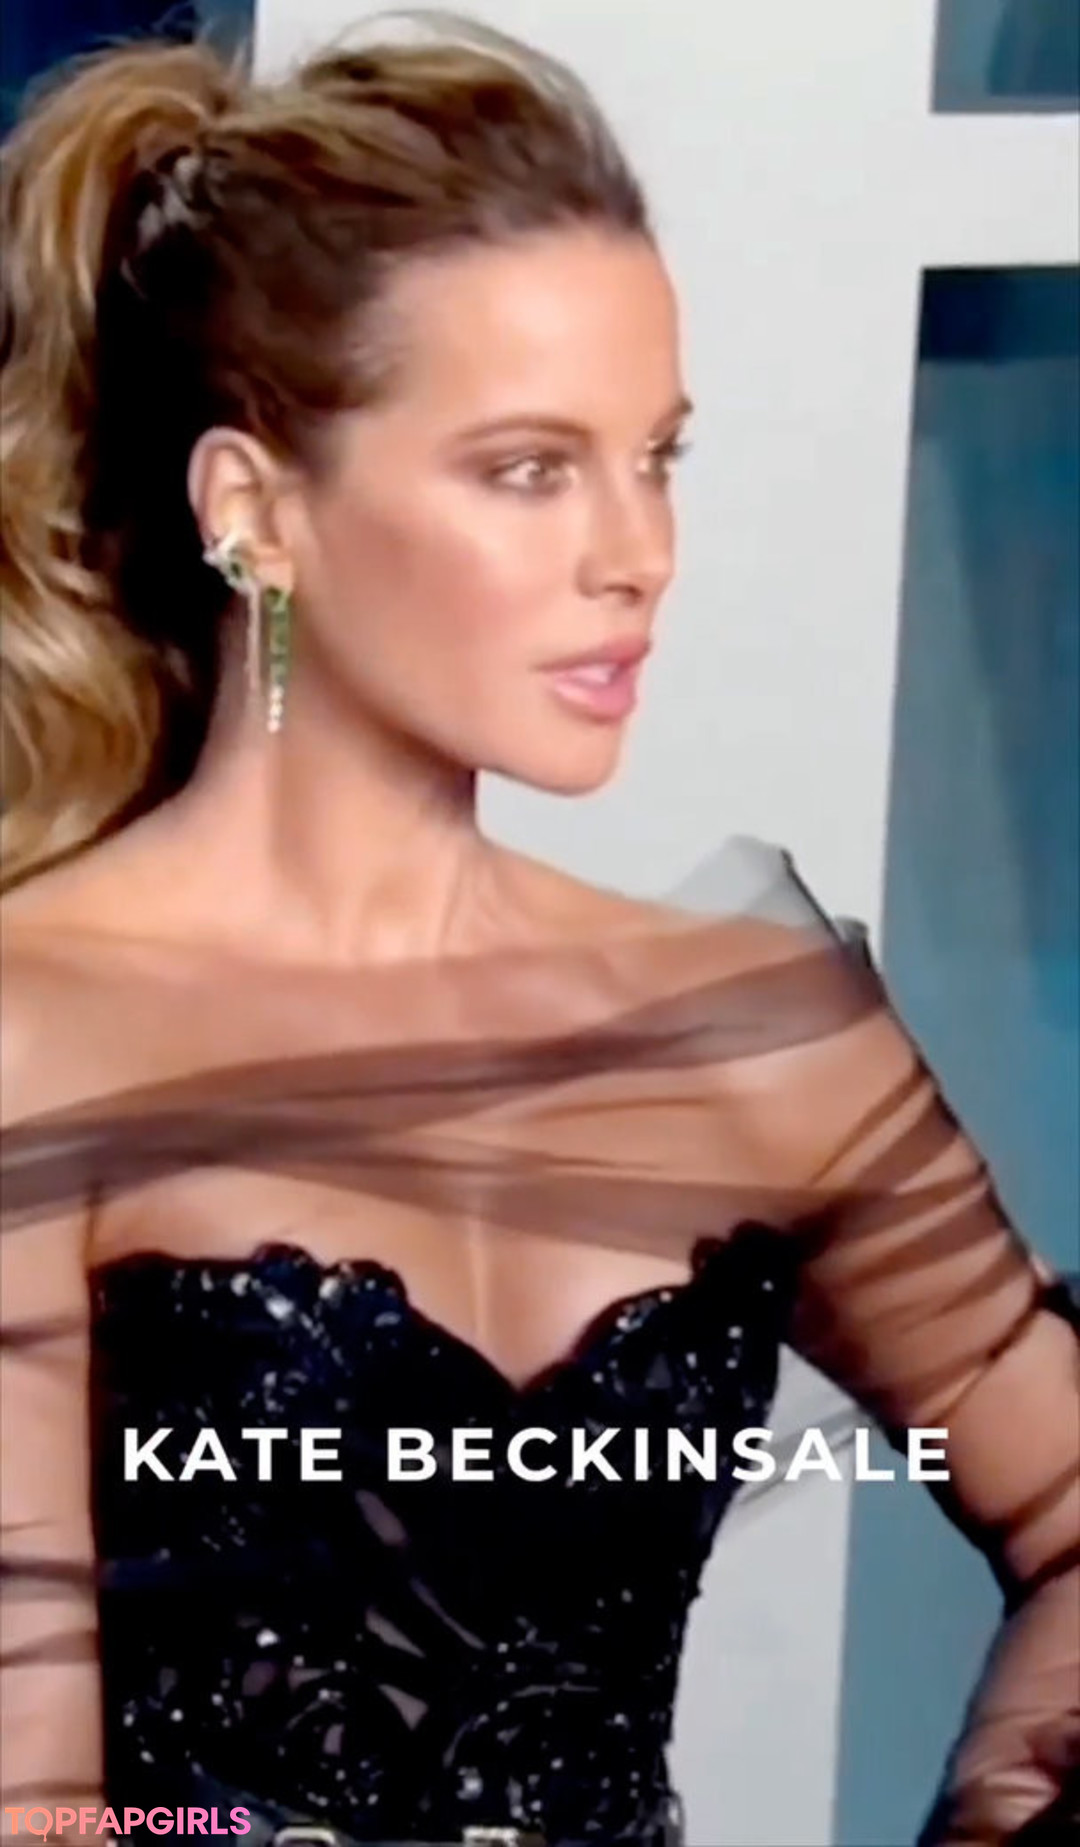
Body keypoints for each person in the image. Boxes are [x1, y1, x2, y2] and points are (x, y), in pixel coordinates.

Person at [1, 12, 1076, 1846]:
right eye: (529, 468)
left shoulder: (757, 1032)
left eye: (658, 457)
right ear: (255, 515)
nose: (635, 553)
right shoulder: (41, 1033)